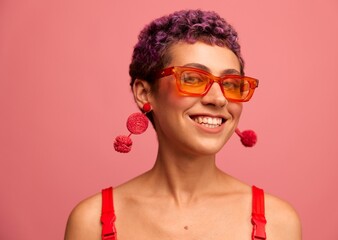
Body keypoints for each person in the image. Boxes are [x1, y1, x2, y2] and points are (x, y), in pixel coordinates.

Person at [65, 9, 301, 240]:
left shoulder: (277, 222)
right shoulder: (91, 222)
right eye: (193, 79)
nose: (219, 99)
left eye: (231, 83)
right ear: (145, 93)